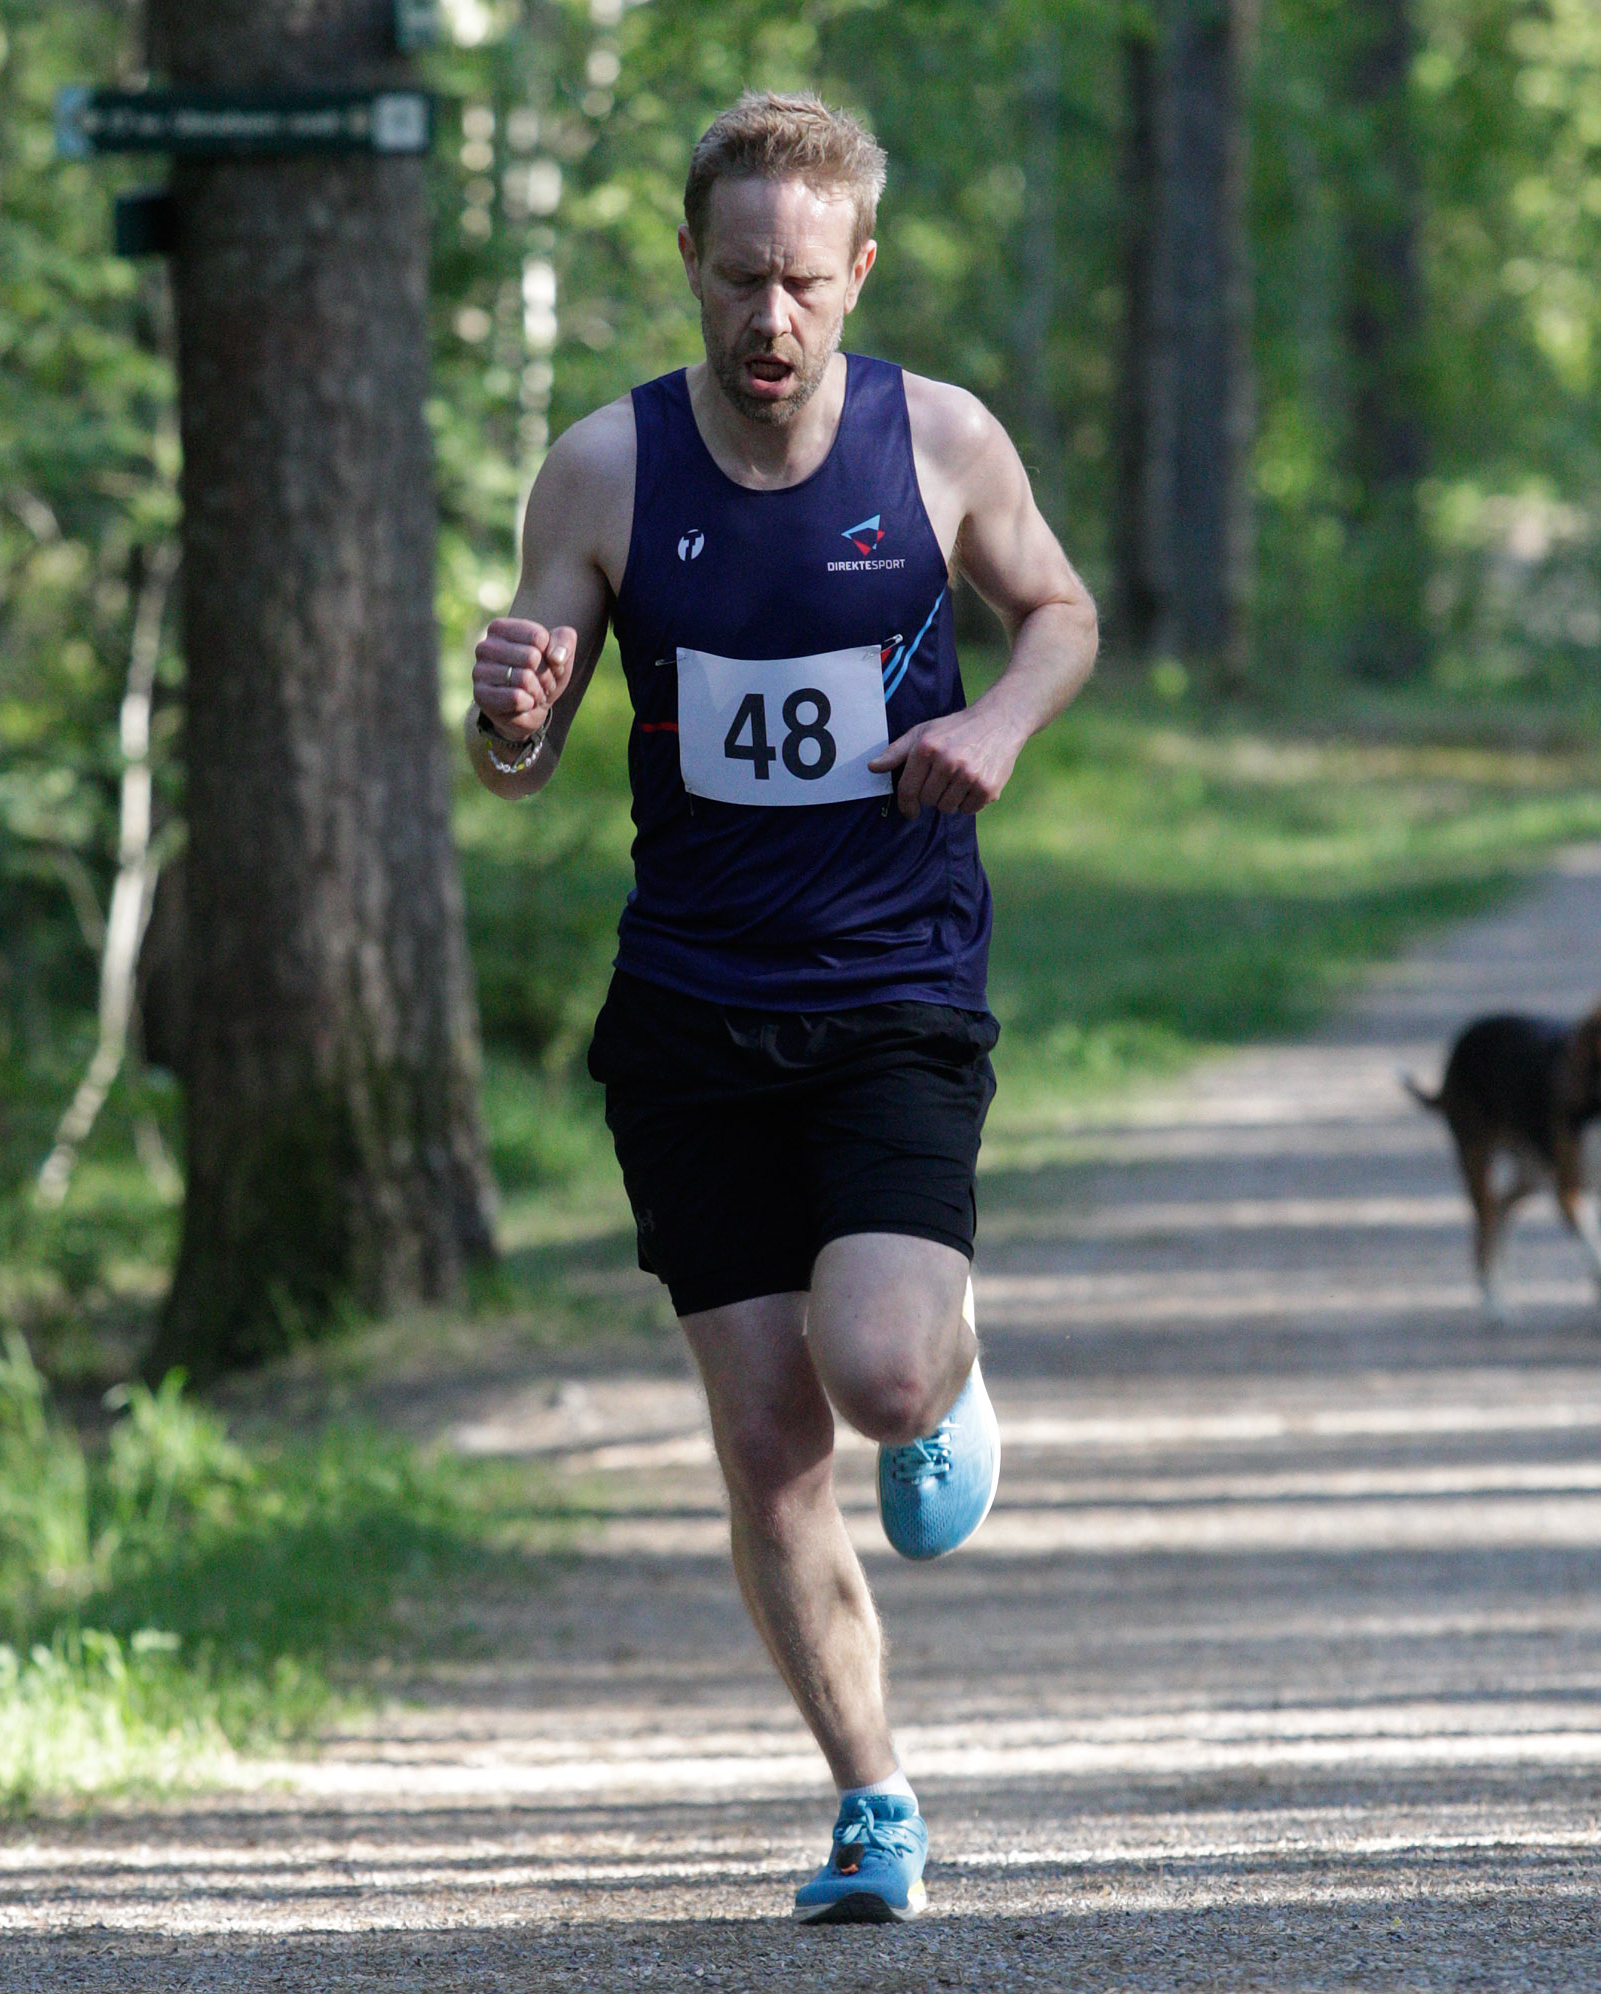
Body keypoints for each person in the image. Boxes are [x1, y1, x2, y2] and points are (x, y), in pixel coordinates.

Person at [464, 91, 1096, 1923]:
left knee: (878, 1372)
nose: (769, 317)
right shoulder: (606, 469)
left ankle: (949, 1369)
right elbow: (520, 751)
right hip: (691, 1008)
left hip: (894, 983)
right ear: (691, 260)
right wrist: (508, 716)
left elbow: (1059, 612)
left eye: (804, 283)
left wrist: (997, 723)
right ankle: (872, 1798)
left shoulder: (940, 440)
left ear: (858, 272)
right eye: (739, 276)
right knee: (767, 1444)